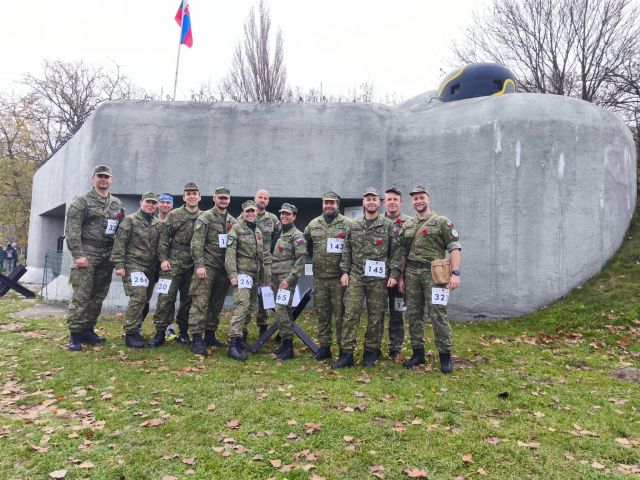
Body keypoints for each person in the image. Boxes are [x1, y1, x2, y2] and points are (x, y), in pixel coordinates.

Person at [333, 187, 401, 369]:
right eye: (368, 199)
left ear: (379, 203)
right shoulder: (354, 225)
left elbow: (395, 252)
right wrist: (344, 271)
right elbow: (346, 250)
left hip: (378, 279)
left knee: (376, 317)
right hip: (356, 276)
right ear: (363, 202)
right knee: (350, 314)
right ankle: (346, 354)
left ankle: (370, 353)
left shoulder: (388, 226)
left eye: (374, 199)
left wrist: (394, 274)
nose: (371, 202)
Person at [400, 185, 461, 373]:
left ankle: (445, 356)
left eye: (421, 197)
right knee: (413, 314)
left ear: (428, 199)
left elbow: (454, 248)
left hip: (435, 275)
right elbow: (403, 253)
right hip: (411, 274)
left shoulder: (441, 222)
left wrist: (455, 274)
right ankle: (417, 353)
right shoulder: (408, 225)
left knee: (438, 313)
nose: (418, 201)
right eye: (415, 198)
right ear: (412, 202)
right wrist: (401, 277)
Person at [65, 165, 124, 351]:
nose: (103, 179)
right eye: (100, 176)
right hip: (87, 254)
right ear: (93, 178)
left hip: (106, 255)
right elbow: (72, 230)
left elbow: (120, 231)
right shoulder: (81, 201)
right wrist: (78, 254)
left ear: (111, 180)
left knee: (98, 296)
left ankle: (88, 329)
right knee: (82, 295)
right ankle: (75, 334)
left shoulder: (116, 204)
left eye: (106, 177)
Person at [149, 183, 202, 348]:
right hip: (173, 262)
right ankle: (160, 333)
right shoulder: (174, 215)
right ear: (184, 197)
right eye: (188, 194)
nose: (192, 196)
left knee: (188, 299)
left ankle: (184, 332)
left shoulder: (204, 217)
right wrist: (164, 259)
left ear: (199, 197)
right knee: (165, 297)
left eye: (194, 193)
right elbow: (164, 239)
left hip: (193, 263)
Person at [187, 187, 237, 356]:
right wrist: (199, 265)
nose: (223, 201)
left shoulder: (232, 221)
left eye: (226, 198)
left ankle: (210, 334)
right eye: (220, 198)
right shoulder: (205, 217)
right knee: (200, 302)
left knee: (216, 303)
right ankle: (196, 338)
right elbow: (196, 243)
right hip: (207, 267)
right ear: (214, 198)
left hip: (223, 269)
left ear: (229, 200)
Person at [303, 191, 351, 361]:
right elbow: (307, 244)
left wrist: (346, 271)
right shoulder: (313, 224)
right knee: (322, 314)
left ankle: (343, 348)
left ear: (337, 204)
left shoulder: (347, 224)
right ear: (322, 204)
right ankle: (325, 347)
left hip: (339, 278)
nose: (329, 205)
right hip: (320, 278)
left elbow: (352, 248)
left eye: (332, 202)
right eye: (326, 202)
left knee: (340, 315)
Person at [110, 192, 161, 348]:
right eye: (148, 202)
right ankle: (130, 333)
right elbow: (120, 242)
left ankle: (137, 329)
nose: (150, 205)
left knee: (145, 299)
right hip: (134, 265)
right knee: (138, 296)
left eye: (153, 202)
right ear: (141, 202)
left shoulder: (158, 223)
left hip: (151, 267)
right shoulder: (130, 220)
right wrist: (119, 265)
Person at [225, 200, 268, 361]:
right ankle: (233, 345)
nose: (250, 214)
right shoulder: (236, 228)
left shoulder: (257, 231)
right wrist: (232, 274)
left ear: (256, 213)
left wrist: (262, 277)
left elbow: (261, 257)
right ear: (243, 213)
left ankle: (241, 338)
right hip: (242, 273)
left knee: (250, 306)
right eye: (247, 211)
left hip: (255, 275)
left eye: (253, 211)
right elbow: (230, 253)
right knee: (242, 305)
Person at [270, 203, 307, 360]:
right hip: (276, 277)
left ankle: (288, 345)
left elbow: (300, 260)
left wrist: (289, 279)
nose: (284, 216)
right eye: (282, 213)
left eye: (288, 214)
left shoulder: (297, 235)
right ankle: (285, 344)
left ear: (294, 217)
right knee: (283, 310)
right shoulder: (280, 232)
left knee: (281, 308)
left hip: (286, 279)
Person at [382, 187, 412, 359]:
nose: (392, 202)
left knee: (398, 313)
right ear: (384, 202)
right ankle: (374, 348)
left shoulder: (409, 223)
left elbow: (410, 251)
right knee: (377, 313)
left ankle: (395, 348)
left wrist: (402, 277)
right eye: (389, 199)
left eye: (395, 199)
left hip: (400, 277)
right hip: (379, 277)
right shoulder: (378, 221)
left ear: (400, 202)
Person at [252, 189, 281, 336]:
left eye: (265, 198)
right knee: (247, 294)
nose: (262, 200)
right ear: (254, 198)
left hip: (266, 262)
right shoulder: (246, 215)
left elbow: (280, 236)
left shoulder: (273, 219)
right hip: (249, 261)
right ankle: (242, 330)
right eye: (260, 197)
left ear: (268, 201)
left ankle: (263, 326)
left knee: (265, 294)